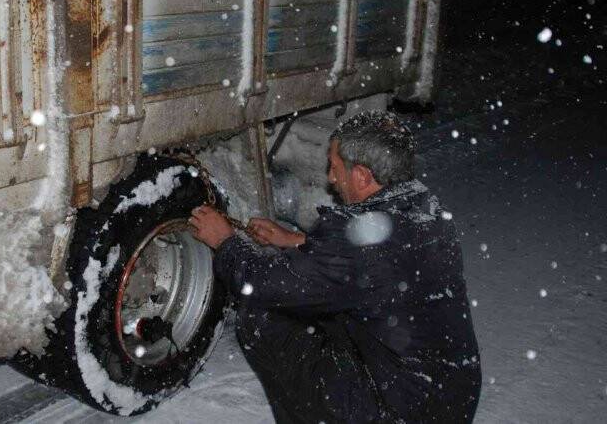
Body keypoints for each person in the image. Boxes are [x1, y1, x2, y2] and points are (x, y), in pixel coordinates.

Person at [190, 111, 481, 423]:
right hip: (449, 398)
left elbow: (261, 283)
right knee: (328, 308)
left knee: (262, 313)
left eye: (335, 166)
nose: (330, 177)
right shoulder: (425, 208)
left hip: (401, 412)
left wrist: (224, 241)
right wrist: (295, 240)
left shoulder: (354, 247)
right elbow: (375, 265)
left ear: (362, 176)